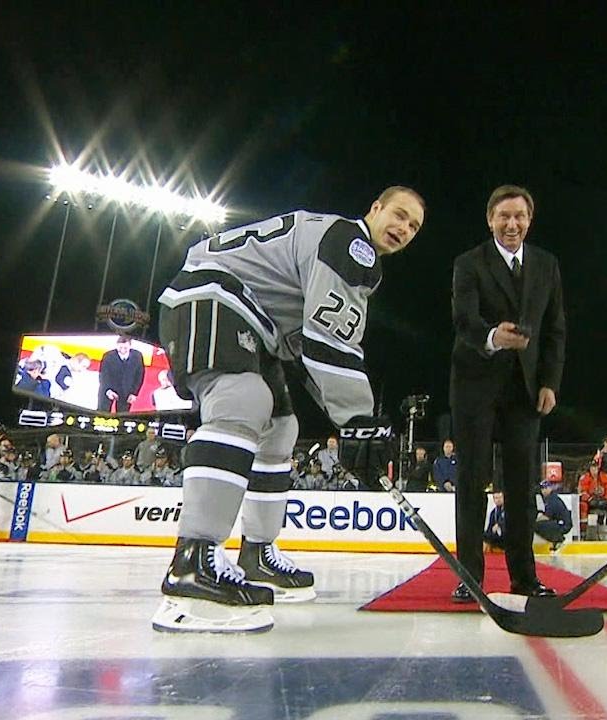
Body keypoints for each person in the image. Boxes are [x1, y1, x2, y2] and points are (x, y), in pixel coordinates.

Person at [151, 185, 426, 632]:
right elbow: (330, 341)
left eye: (413, 226)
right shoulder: (350, 244)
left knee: (280, 429)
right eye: (398, 214)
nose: (404, 228)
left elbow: (307, 349)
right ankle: (192, 562)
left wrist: (352, 422)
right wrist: (359, 419)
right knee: (242, 400)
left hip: (255, 318)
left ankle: (256, 552)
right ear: (374, 208)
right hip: (214, 292)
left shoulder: (342, 250)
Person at [450, 184, 565, 603]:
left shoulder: (547, 265)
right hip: (474, 387)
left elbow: (555, 328)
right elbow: (464, 320)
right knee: (471, 481)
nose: (512, 224)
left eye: (519, 216)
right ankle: (470, 578)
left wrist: (550, 381)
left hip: (526, 392)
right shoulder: (469, 263)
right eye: (504, 216)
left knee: (521, 486)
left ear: (529, 220)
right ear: (490, 220)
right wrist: (492, 337)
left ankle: (524, 577)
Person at [98, 335, 145, 414]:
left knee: (122, 417)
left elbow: (139, 376)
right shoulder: (108, 356)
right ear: (117, 345)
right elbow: (103, 375)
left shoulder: (137, 356)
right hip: (108, 390)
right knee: (102, 414)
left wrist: (134, 393)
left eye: (125, 348)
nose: (122, 350)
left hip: (126, 392)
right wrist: (108, 391)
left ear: (130, 346)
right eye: (120, 347)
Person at [534, 479, 572, 550]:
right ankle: (555, 540)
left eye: (545, 488)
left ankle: (558, 539)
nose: (543, 491)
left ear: (550, 488)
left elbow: (547, 517)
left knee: (537, 525)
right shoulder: (549, 498)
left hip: (563, 525)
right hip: (559, 522)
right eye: (542, 489)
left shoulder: (552, 500)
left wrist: (534, 521)